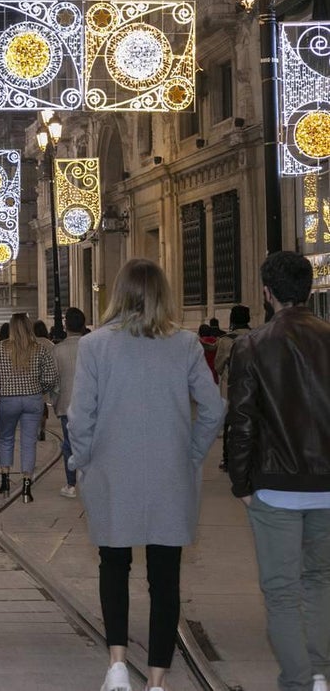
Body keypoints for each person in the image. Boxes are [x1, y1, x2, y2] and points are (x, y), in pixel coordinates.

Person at [66, 259, 224, 691]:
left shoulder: (95, 346)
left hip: (111, 474)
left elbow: (80, 417)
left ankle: (117, 665)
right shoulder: (187, 345)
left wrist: (83, 461)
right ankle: (157, 680)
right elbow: (213, 408)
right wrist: (190, 455)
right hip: (169, 475)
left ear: (118, 294)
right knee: (165, 576)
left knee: (113, 564)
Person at [227, 252, 330, 691]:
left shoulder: (252, 345)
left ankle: (298, 682)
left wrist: (241, 483)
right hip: (327, 487)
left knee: (282, 591)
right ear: (307, 288)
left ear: (267, 293)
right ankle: (320, 672)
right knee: (321, 581)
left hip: (276, 487)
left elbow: (242, 421)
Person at [0, 313, 57, 503]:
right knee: (28, 442)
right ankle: (26, 485)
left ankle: (5, 479)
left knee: (6, 438)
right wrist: (40, 389)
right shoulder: (39, 349)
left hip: (8, 400)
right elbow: (50, 377)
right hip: (33, 400)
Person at [51, 308, 86, 498]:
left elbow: (54, 382)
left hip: (66, 405)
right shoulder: (91, 346)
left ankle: (71, 484)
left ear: (65, 326)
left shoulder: (58, 350)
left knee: (69, 444)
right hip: (90, 405)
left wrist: (55, 404)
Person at [214, 304, 252, 472]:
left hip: (231, 388)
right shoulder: (256, 337)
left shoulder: (225, 341)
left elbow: (218, 366)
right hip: (252, 386)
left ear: (232, 320)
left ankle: (227, 459)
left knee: (229, 423)